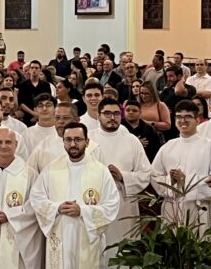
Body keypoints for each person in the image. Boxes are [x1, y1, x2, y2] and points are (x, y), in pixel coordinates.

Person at [31, 122, 120, 268]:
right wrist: (57, 207)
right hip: (60, 232)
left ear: (87, 142)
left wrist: (82, 211)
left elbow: (112, 204)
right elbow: (36, 197)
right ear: (63, 142)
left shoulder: (100, 171)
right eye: (68, 140)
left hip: (87, 233)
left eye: (78, 139)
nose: (73, 144)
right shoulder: (51, 169)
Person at [88, 97, 152, 264]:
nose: (112, 117)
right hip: (96, 204)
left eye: (116, 113)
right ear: (98, 116)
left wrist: (123, 176)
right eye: (107, 113)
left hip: (124, 205)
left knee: (124, 250)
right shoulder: (88, 141)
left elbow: (146, 173)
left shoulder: (131, 140)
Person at [0, 128, 42, 269]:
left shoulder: (29, 174)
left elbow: (35, 204)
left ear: (16, 144)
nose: (3, 146)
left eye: (8, 142)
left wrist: (10, 216)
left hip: (15, 234)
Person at [150, 100, 211, 235]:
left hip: (198, 207)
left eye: (188, 116)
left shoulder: (208, 146)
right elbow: (154, 175)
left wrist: (185, 181)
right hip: (172, 207)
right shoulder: (168, 147)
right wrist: (171, 182)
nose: (183, 120)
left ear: (197, 119)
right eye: (179, 117)